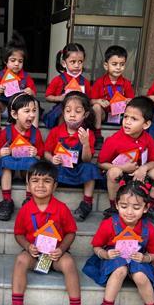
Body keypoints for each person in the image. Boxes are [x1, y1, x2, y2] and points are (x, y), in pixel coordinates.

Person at [6, 160, 87, 305]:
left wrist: (62, 249)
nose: (41, 185)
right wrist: (27, 247)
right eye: (35, 181)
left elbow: (71, 232)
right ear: (28, 185)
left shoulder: (61, 209)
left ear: (55, 185)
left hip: (55, 255)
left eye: (47, 181)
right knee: (20, 260)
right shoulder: (25, 210)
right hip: (34, 254)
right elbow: (18, 234)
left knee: (69, 263)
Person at [83, 179, 154, 305]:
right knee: (120, 269)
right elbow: (96, 246)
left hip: (137, 257)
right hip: (114, 257)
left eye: (136, 207)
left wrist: (145, 258)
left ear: (146, 208)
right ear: (117, 205)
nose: (130, 212)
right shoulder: (109, 224)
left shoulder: (148, 228)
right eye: (124, 206)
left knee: (140, 276)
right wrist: (105, 254)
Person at [97, 96, 154, 226]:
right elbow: (101, 163)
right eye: (126, 117)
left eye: (134, 119)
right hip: (120, 178)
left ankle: (148, 207)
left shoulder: (148, 139)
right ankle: (115, 208)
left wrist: (143, 168)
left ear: (146, 124)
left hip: (140, 177)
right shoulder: (114, 140)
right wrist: (123, 168)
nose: (127, 122)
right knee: (114, 172)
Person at [44, 91, 102, 221]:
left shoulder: (87, 134)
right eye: (68, 111)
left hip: (78, 170)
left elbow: (87, 159)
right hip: (61, 168)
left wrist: (85, 143)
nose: (72, 115)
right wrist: (52, 158)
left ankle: (87, 203)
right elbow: (46, 152)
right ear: (63, 112)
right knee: (49, 169)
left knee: (90, 168)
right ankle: (48, 200)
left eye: (78, 111)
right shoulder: (56, 131)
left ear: (85, 114)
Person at [0, 92, 45, 221]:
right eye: (27, 111)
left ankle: (29, 199)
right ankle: (7, 200)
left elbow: (40, 158)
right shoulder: (6, 132)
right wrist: (1, 154)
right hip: (10, 170)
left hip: (26, 171)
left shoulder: (35, 133)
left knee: (32, 162)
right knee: (5, 161)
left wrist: (35, 154)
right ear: (14, 114)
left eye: (34, 111)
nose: (32, 115)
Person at [0, 32, 38, 145]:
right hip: (5, 108)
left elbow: (34, 94)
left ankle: (34, 132)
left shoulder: (26, 77)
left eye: (20, 61)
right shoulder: (0, 76)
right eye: (13, 60)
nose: (16, 64)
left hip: (20, 110)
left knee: (34, 102)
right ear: (6, 61)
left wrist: (31, 92)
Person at [90, 45, 135, 148]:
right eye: (114, 64)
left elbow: (132, 100)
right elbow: (90, 101)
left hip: (120, 115)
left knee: (134, 109)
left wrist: (127, 100)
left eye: (122, 64)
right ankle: (98, 135)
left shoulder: (126, 83)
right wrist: (98, 101)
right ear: (106, 66)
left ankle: (126, 136)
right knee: (96, 107)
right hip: (104, 115)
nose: (118, 67)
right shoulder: (99, 82)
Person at [43, 43, 91, 129]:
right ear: (64, 63)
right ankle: (61, 134)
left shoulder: (85, 82)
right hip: (63, 109)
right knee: (62, 113)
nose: (77, 65)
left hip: (80, 112)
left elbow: (89, 99)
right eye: (73, 62)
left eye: (80, 62)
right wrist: (59, 98)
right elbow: (47, 96)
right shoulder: (58, 80)